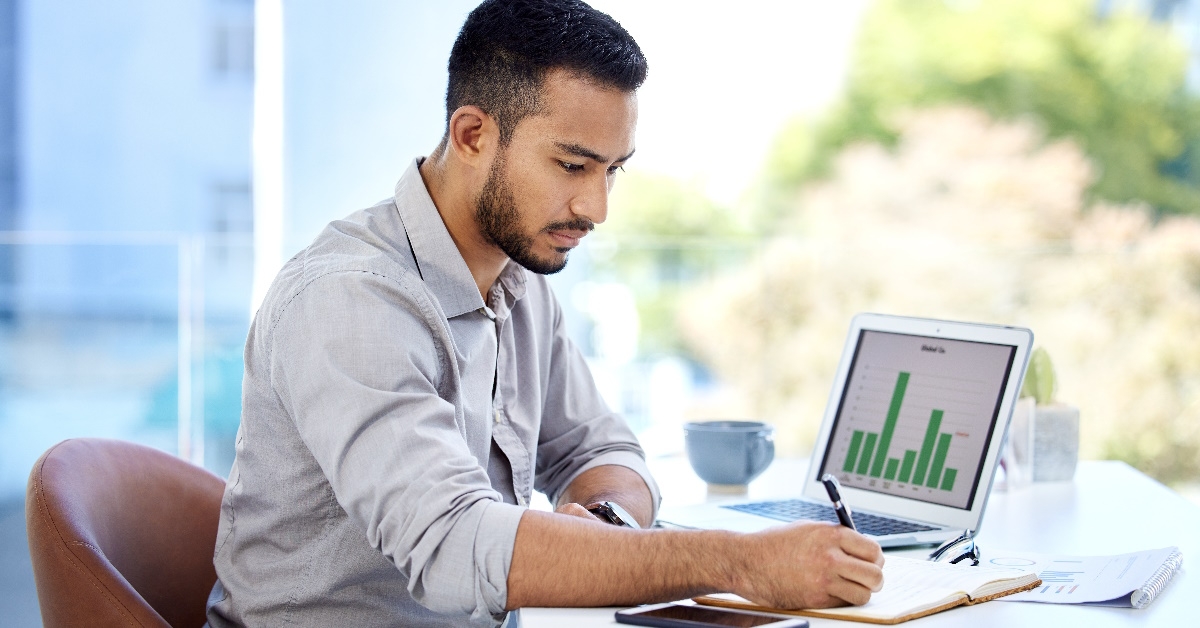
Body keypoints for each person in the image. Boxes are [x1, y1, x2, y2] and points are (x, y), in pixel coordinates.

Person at [205, 1, 885, 626]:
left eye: (612, 171)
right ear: (472, 134)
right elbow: (451, 546)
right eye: (571, 165)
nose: (597, 208)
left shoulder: (517, 282)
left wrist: (607, 519)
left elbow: (603, 449)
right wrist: (744, 564)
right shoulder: (347, 301)